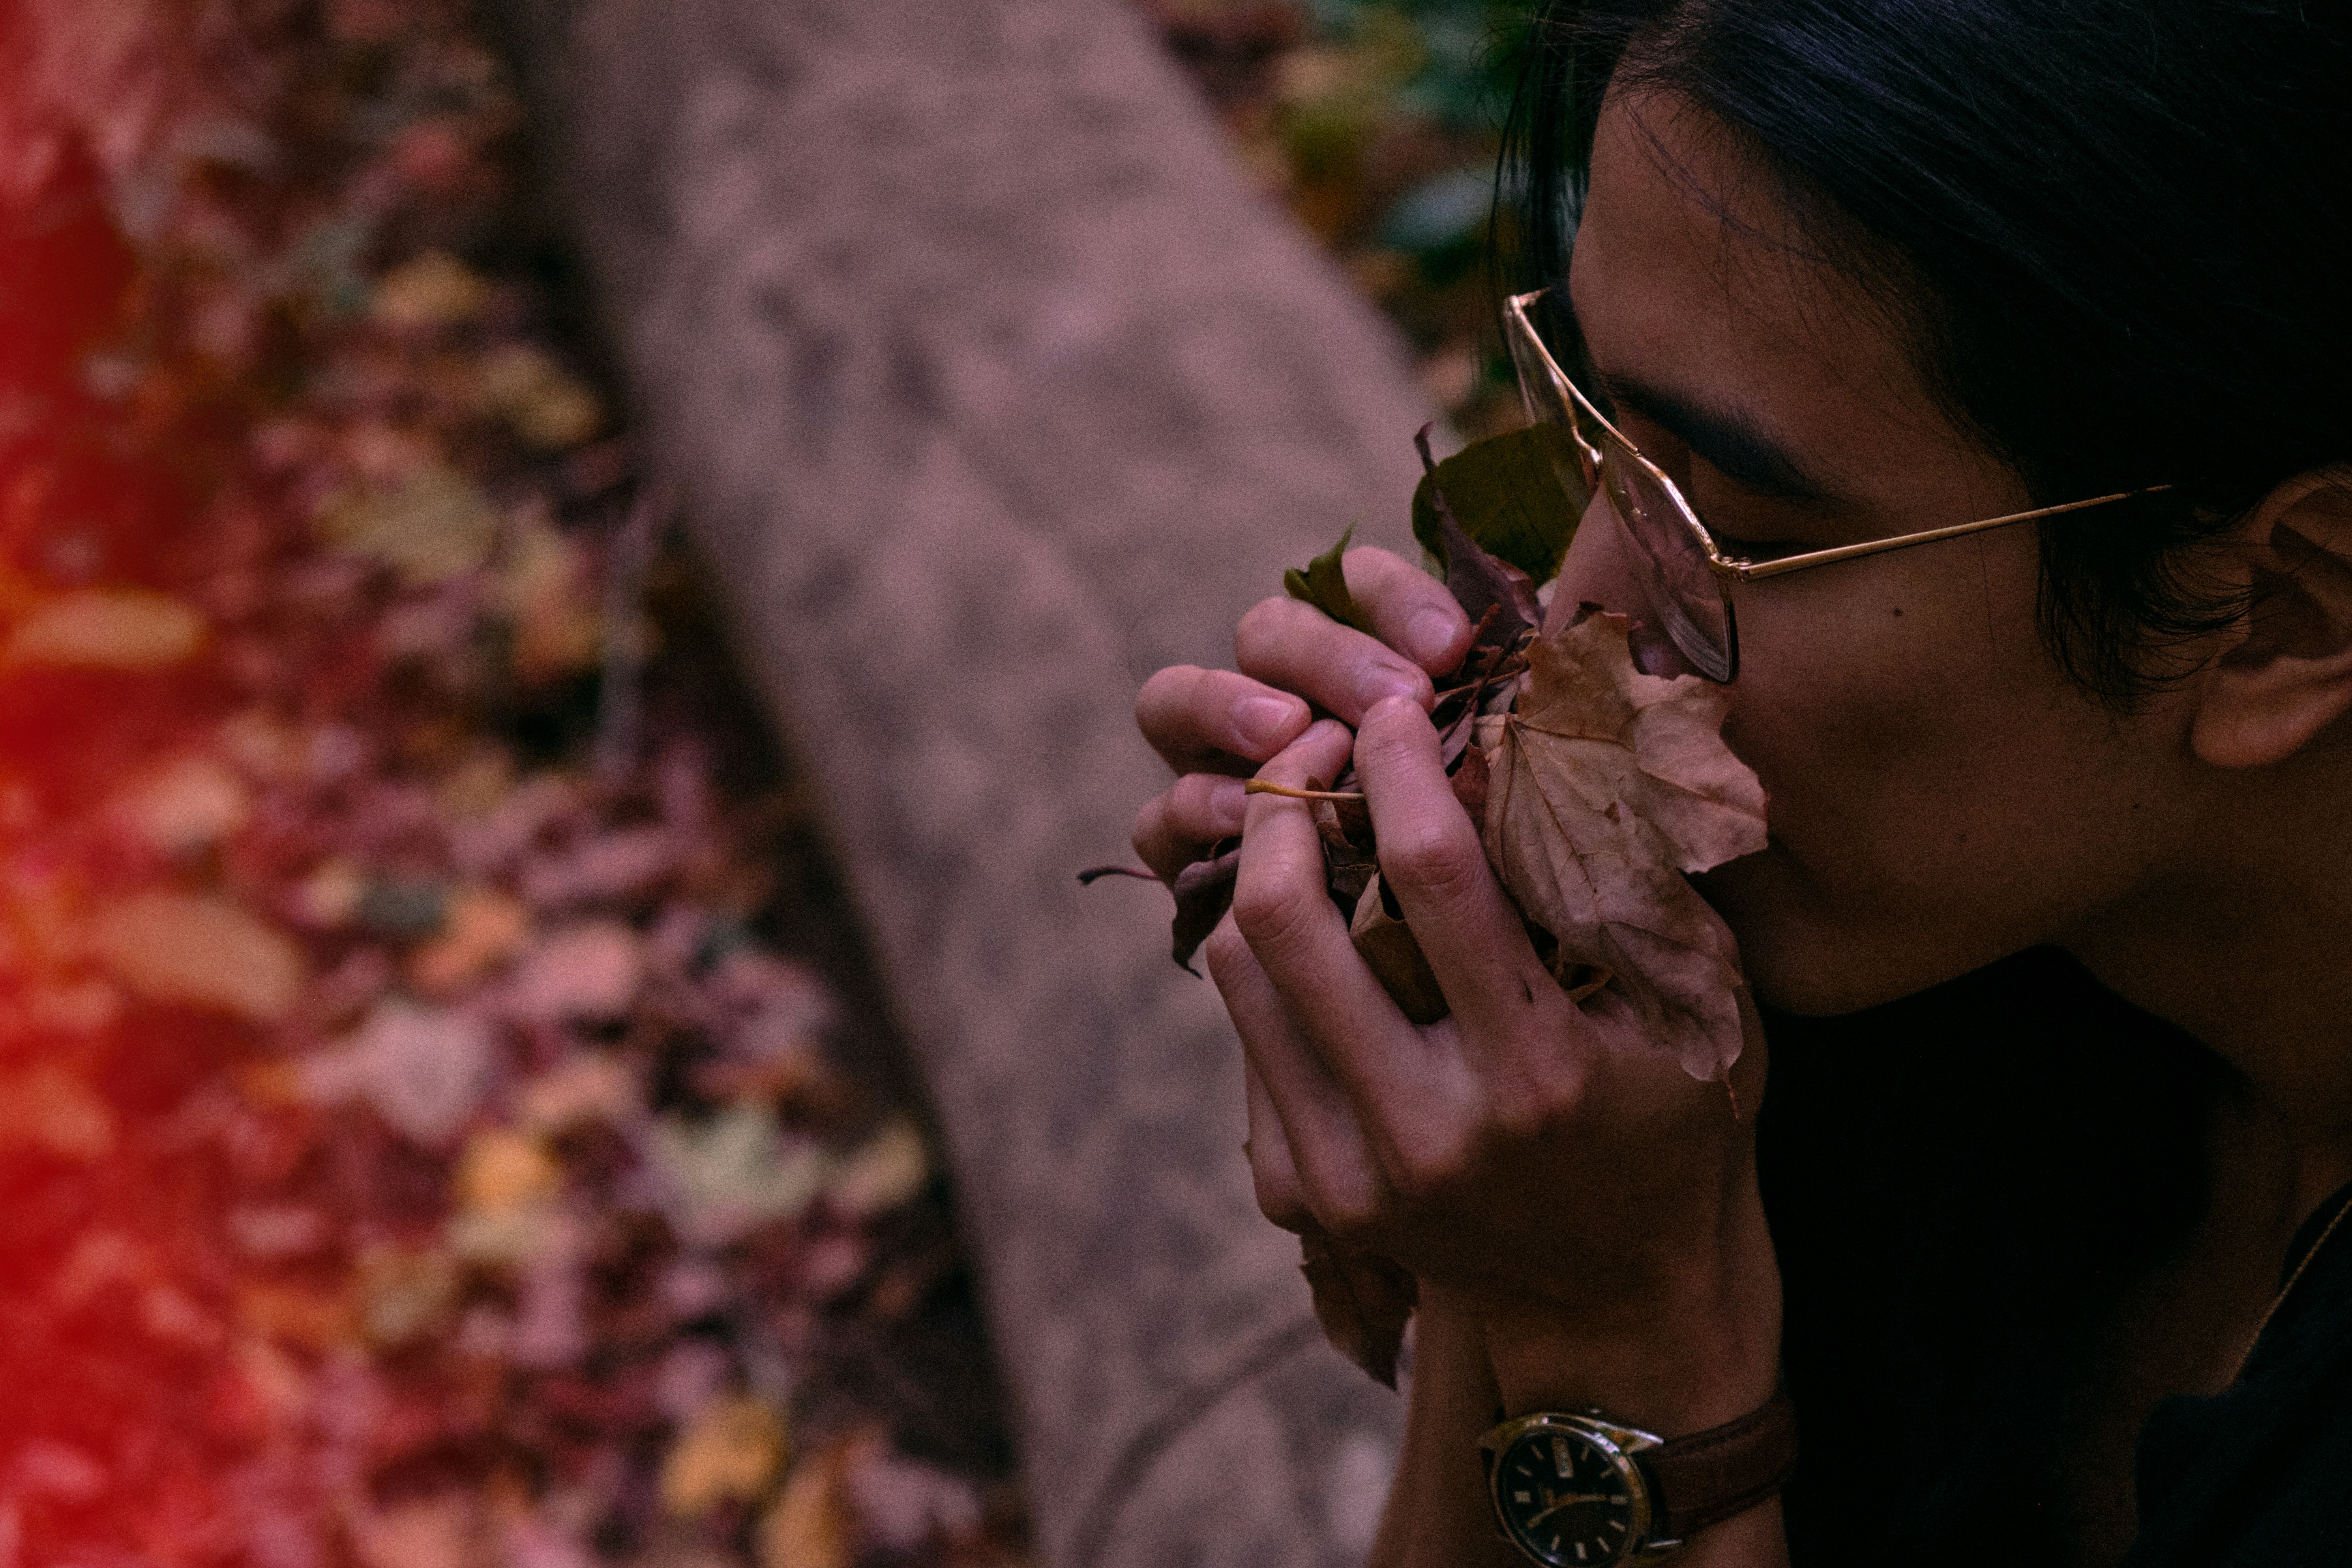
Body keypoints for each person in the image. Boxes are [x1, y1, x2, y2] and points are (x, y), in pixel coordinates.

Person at [1127, 2, 2352, 1564]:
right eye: (1601, 441)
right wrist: (1490, 1068)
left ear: (2279, 617)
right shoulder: (1916, 970)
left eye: (1747, 535)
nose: (1574, 616)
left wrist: (1620, 1338)